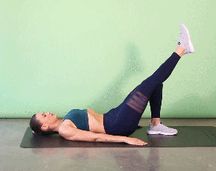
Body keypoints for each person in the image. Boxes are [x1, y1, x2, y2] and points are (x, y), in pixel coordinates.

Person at [30, 24, 195, 146]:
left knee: (154, 85)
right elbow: (96, 137)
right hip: (118, 124)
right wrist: (125, 139)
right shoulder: (65, 129)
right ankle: (181, 48)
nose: (48, 112)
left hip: (114, 116)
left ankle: (155, 125)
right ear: (44, 126)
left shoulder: (65, 120)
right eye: (44, 115)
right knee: (151, 82)